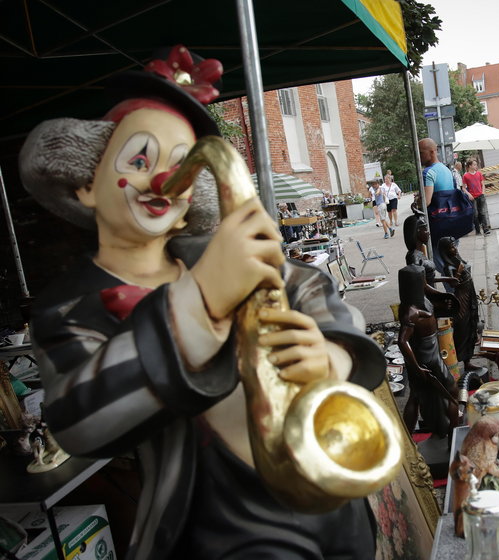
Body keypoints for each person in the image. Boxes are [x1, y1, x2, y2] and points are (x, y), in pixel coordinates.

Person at [19, 46, 382, 559]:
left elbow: (308, 287)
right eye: (140, 160)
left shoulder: (209, 252)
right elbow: (78, 422)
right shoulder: (67, 307)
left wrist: (332, 355)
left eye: (178, 164)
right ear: (84, 186)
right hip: (218, 525)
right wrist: (202, 300)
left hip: (334, 496)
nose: (164, 180)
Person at [397, 265, 458, 439]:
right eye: (421, 280)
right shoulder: (411, 312)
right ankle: (453, 437)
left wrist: (444, 299)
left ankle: (409, 441)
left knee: (415, 397)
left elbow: (429, 291)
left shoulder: (420, 301)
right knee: (452, 391)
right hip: (427, 360)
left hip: (427, 354)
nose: (425, 283)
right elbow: (402, 341)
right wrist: (416, 367)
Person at [438, 236, 482, 371]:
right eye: (451, 247)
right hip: (461, 298)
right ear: (445, 250)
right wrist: (458, 272)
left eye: (454, 245)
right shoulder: (448, 266)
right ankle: (460, 361)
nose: (454, 248)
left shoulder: (458, 260)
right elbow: (452, 283)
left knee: (472, 325)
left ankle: (469, 359)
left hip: (470, 294)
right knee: (462, 329)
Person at [419, 137, 462, 272]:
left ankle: (455, 292)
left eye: (421, 153)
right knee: (454, 263)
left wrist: (417, 202)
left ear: (432, 152)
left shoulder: (428, 172)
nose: (418, 156)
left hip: (438, 227)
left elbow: (427, 201)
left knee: (444, 267)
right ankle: (464, 290)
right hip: (452, 222)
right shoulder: (446, 169)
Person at [463, 158, 490, 235]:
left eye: (476, 164)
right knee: (475, 214)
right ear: (470, 166)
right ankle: (478, 230)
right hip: (473, 197)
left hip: (481, 195)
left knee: (482, 212)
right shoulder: (466, 176)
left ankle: (485, 229)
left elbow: (483, 183)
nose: (476, 166)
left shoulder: (479, 174)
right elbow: (464, 188)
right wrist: (469, 194)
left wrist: (483, 192)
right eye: (474, 164)